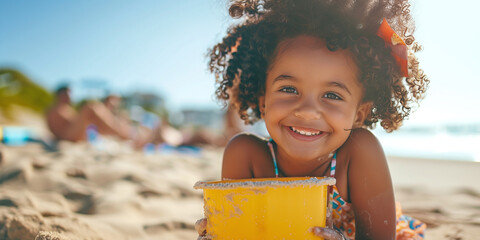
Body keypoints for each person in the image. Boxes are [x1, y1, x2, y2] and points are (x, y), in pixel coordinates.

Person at [197, 0, 429, 239]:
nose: (307, 111)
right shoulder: (246, 154)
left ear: (360, 114)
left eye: (331, 95)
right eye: (288, 89)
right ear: (263, 101)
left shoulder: (358, 153)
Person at [46, 86, 133, 142]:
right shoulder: (56, 109)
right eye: (68, 93)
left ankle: (121, 132)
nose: (70, 96)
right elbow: (60, 128)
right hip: (67, 136)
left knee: (94, 111)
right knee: (90, 107)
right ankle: (121, 134)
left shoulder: (63, 108)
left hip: (70, 135)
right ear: (61, 95)